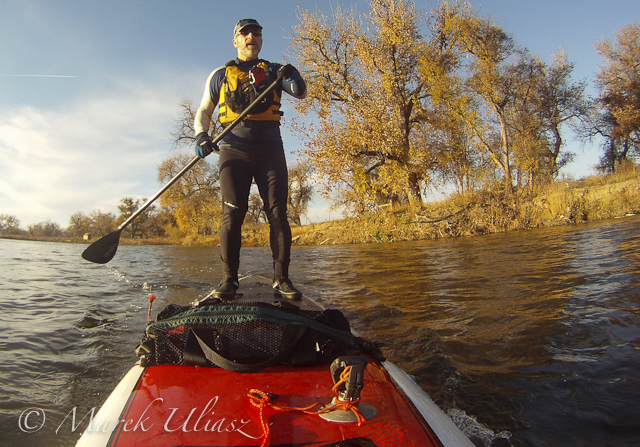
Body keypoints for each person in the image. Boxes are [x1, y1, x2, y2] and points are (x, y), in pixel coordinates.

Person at [193, 18, 307, 300]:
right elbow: (204, 111)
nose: (251, 37)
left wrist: (294, 76)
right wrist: (201, 135)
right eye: (245, 33)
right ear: (235, 40)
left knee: (278, 214)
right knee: (232, 215)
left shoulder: (276, 71)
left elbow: (300, 93)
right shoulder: (219, 74)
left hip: (270, 149)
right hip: (234, 149)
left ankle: (281, 279)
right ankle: (229, 280)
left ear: (260, 40)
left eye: (256, 33)